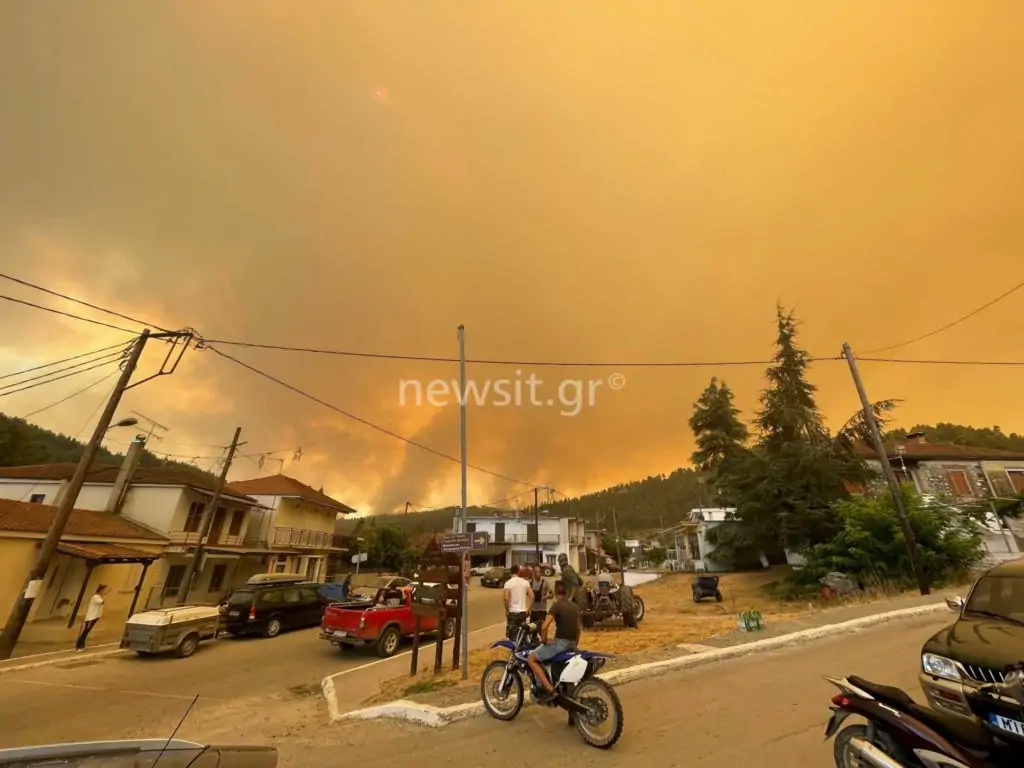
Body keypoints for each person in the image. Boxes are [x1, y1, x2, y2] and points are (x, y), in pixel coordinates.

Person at [526, 579, 582, 703]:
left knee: (531, 659)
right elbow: (578, 628)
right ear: (566, 592)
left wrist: (544, 641)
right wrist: (574, 644)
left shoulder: (557, 606)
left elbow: (544, 627)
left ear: (556, 592)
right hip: (572, 643)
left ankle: (550, 690)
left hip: (561, 644)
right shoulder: (574, 607)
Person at [76, 584, 108, 652]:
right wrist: (104, 595)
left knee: (86, 631)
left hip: (94, 616)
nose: (105, 591)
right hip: (91, 617)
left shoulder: (98, 596)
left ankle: (81, 645)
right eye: (104, 590)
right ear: (101, 590)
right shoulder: (96, 597)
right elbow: (102, 602)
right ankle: (79, 646)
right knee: (85, 631)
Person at [503, 564, 532, 639]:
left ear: (510, 572)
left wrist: (507, 610)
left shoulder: (508, 583)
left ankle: (513, 646)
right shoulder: (525, 582)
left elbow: (506, 598)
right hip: (522, 613)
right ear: (518, 572)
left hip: (512, 613)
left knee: (512, 635)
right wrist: (528, 610)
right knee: (521, 634)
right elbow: (532, 596)